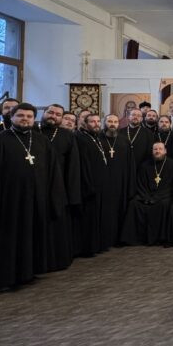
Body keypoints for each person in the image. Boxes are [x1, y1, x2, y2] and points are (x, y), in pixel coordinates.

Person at [0, 103, 64, 291]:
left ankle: (27, 273)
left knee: (31, 236)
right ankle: (4, 278)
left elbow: (53, 171)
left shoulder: (41, 141)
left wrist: (52, 197)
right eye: (21, 116)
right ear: (12, 117)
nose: (25, 119)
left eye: (29, 116)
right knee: (8, 239)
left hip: (36, 199)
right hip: (9, 201)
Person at [37, 103, 80, 272]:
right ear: (44, 113)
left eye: (57, 114)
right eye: (50, 112)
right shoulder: (33, 132)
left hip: (59, 187)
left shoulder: (67, 136)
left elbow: (73, 166)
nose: (53, 116)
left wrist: (72, 193)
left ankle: (57, 260)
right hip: (36, 186)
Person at [120, 141, 173, 246]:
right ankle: (133, 238)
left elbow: (172, 185)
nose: (157, 151)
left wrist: (157, 197)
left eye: (160, 149)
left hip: (164, 196)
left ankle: (159, 238)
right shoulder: (145, 165)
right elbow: (140, 184)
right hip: (146, 196)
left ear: (165, 151)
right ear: (152, 151)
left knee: (163, 204)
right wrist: (147, 197)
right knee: (134, 204)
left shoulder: (172, 165)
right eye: (155, 149)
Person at [74, 113, 108, 256]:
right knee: (88, 218)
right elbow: (84, 165)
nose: (96, 124)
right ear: (85, 123)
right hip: (89, 185)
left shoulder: (97, 137)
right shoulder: (81, 138)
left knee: (97, 217)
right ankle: (88, 248)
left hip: (100, 183)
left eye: (98, 121)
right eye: (92, 122)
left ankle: (97, 245)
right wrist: (89, 184)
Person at [100, 114, 131, 248]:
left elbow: (130, 164)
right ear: (105, 123)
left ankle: (117, 239)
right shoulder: (98, 139)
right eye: (110, 121)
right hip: (103, 183)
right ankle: (103, 240)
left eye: (115, 122)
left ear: (119, 124)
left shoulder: (124, 141)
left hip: (120, 182)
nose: (112, 124)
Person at [124, 108, 153, 190]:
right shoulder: (120, 132)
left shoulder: (148, 133)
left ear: (142, 119)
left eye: (138, 115)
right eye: (133, 115)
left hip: (141, 167)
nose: (135, 117)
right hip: (124, 167)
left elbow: (150, 152)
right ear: (128, 117)